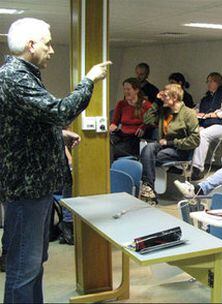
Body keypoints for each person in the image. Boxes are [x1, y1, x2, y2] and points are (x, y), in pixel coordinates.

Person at [0, 18, 110, 303]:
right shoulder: (15, 77)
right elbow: (60, 110)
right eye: (47, 43)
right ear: (30, 45)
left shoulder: (23, 74)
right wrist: (89, 80)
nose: (52, 50)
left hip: (35, 186)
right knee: (24, 267)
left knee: (33, 264)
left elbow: (28, 122)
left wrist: (57, 136)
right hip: (27, 189)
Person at [139, 84, 200, 203]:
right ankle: (149, 188)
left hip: (180, 150)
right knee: (148, 148)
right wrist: (156, 102)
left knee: (147, 157)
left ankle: (148, 189)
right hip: (163, 146)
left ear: (175, 97)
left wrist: (171, 142)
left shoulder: (189, 114)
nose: (162, 98)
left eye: (165, 96)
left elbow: (195, 140)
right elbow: (146, 120)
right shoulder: (164, 111)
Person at [190, 72, 222, 181]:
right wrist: (196, 114)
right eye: (209, 81)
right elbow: (194, 111)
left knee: (203, 134)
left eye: (213, 81)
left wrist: (208, 115)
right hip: (207, 124)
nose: (209, 83)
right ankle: (181, 165)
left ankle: (198, 169)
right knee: (193, 133)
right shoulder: (205, 98)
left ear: (219, 83)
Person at [109, 77, 152, 159]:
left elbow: (153, 120)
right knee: (105, 145)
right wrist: (113, 126)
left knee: (114, 151)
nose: (126, 92)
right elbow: (115, 122)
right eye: (124, 89)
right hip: (121, 134)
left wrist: (144, 127)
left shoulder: (146, 105)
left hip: (135, 138)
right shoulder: (121, 104)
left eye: (128, 89)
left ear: (136, 90)